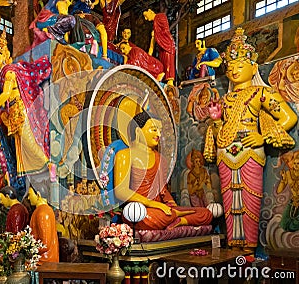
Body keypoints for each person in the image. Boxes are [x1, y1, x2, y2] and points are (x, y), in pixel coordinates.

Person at [204, 28, 298, 248]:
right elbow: (221, 130)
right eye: (230, 67)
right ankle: (233, 248)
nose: (234, 70)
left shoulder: (261, 93)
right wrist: (216, 120)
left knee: (250, 198)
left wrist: (262, 136)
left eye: (240, 65)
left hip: (249, 151)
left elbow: (288, 117)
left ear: (253, 67)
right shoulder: (225, 99)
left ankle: (248, 249)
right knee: (228, 199)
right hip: (225, 151)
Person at [114, 111, 213, 230]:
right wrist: (151, 203)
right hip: (140, 209)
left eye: (160, 130)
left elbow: (162, 191)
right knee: (142, 217)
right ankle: (176, 217)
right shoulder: (125, 155)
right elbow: (121, 190)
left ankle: (180, 220)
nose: (159, 134)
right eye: (154, 129)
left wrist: (172, 206)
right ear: (138, 131)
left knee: (206, 213)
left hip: (161, 209)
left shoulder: (160, 159)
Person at [0, 32, 52, 176]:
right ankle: (27, 170)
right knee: (19, 142)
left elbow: (7, 94)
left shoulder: (9, 73)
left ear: (4, 55)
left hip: (20, 109)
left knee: (28, 140)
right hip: (13, 111)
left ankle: (48, 163)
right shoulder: (2, 74)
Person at [143, 9, 175, 86]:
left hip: (167, 44)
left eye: (145, 15)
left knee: (168, 61)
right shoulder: (155, 28)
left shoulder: (161, 16)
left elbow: (165, 29)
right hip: (161, 47)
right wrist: (148, 58)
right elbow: (152, 46)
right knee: (162, 62)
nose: (146, 19)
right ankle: (163, 78)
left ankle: (170, 80)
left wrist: (156, 33)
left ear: (150, 11)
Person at [28, 187, 59, 263]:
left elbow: (45, 244)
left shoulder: (42, 213)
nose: (28, 198)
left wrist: (28, 251)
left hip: (44, 260)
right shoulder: (44, 210)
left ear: (38, 195)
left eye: (29, 195)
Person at [276, 151, 299, 232]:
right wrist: (283, 180)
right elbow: (279, 191)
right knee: (284, 224)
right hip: (294, 202)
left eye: (298, 164)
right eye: (295, 163)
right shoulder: (289, 173)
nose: (295, 165)